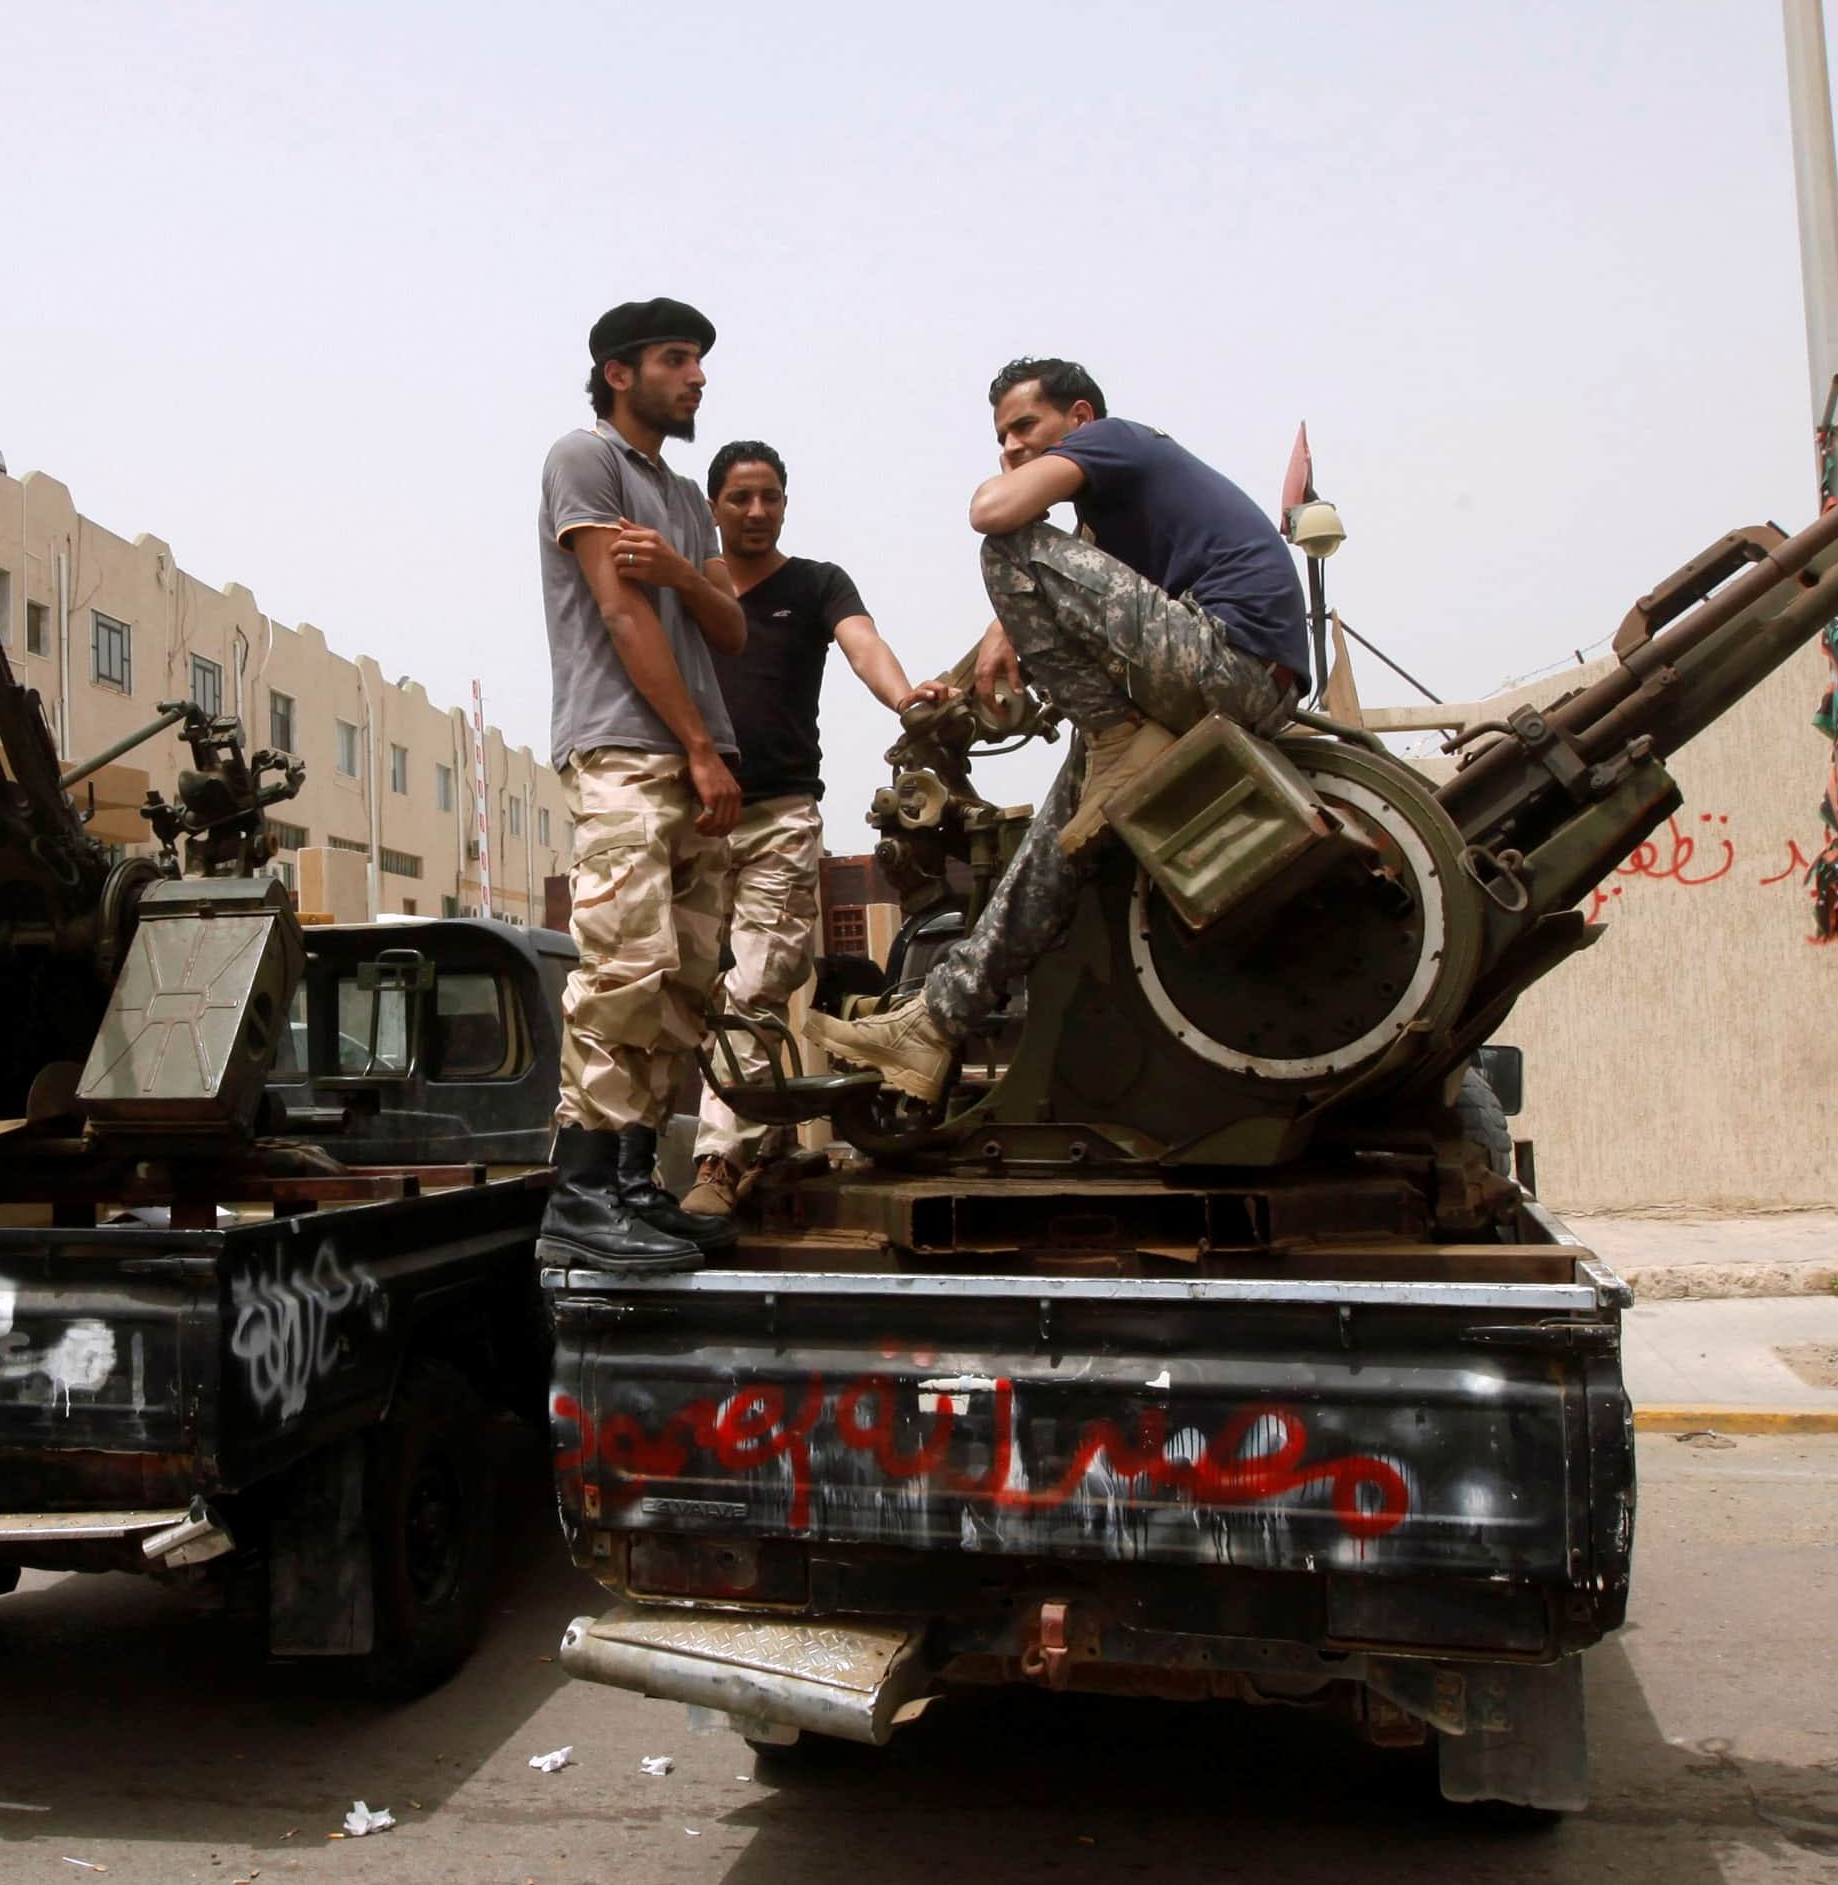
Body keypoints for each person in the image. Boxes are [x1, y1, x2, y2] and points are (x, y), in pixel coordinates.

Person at [814, 358, 1310, 1097]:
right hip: (1219, 677)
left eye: (1025, 427)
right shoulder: (1105, 525)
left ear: (1079, 420)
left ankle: (1117, 744)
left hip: (1233, 663)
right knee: (1054, 848)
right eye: (1001, 437)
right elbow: (1076, 597)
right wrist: (985, 651)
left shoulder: (1119, 440)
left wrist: (1004, 505)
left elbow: (997, 519)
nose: (1011, 447)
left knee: (1005, 546)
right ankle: (933, 1027)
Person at [533, 298, 753, 1271]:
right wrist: (701, 747)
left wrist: (682, 568)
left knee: (679, 984)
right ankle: (581, 1197)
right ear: (620, 372)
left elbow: (731, 627)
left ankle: (631, 1182)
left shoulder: (685, 499)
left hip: (695, 752)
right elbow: (625, 619)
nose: (696, 375)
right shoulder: (583, 461)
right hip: (627, 747)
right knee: (621, 969)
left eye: (700, 360)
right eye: (676, 359)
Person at [682, 440, 951, 1218]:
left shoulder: (815, 583)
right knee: (683, 989)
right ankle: (754, 1139)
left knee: (760, 982)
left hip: (780, 816)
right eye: (740, 498)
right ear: (714, 508)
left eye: (770, 497)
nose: (757, 512)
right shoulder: (692, 587)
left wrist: (907, 701)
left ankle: (716, 1163)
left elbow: (861, 641)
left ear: (787, 503)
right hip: (692, 816)